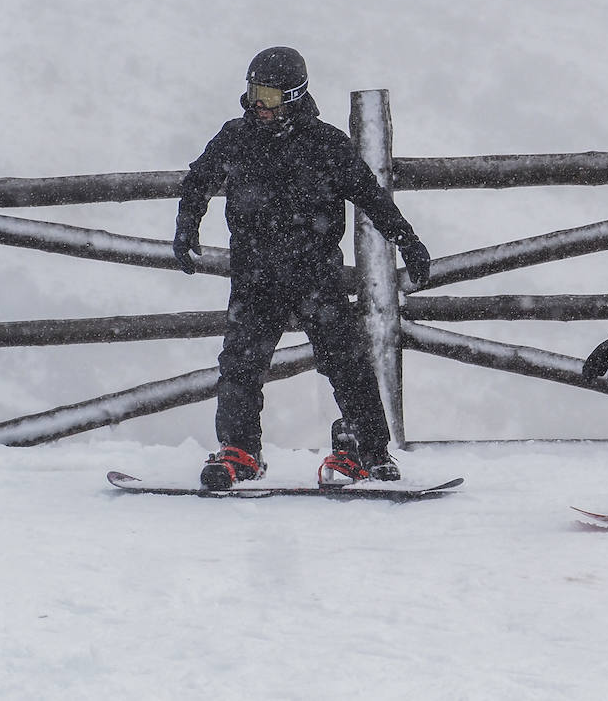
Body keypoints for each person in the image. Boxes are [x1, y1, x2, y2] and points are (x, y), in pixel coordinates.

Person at [173, 46, 432, 490]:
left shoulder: (326, 145)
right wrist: (186, 227)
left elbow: (371, 197)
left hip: (316, 278)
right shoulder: (236, 137)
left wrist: (408, 242)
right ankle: (239, 451)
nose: (259, 104)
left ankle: (368, 451)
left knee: (347, 365)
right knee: (240, 365)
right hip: (255, 279)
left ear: (294, 96)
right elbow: (198, 180)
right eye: (255, 92)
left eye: (270, 97)